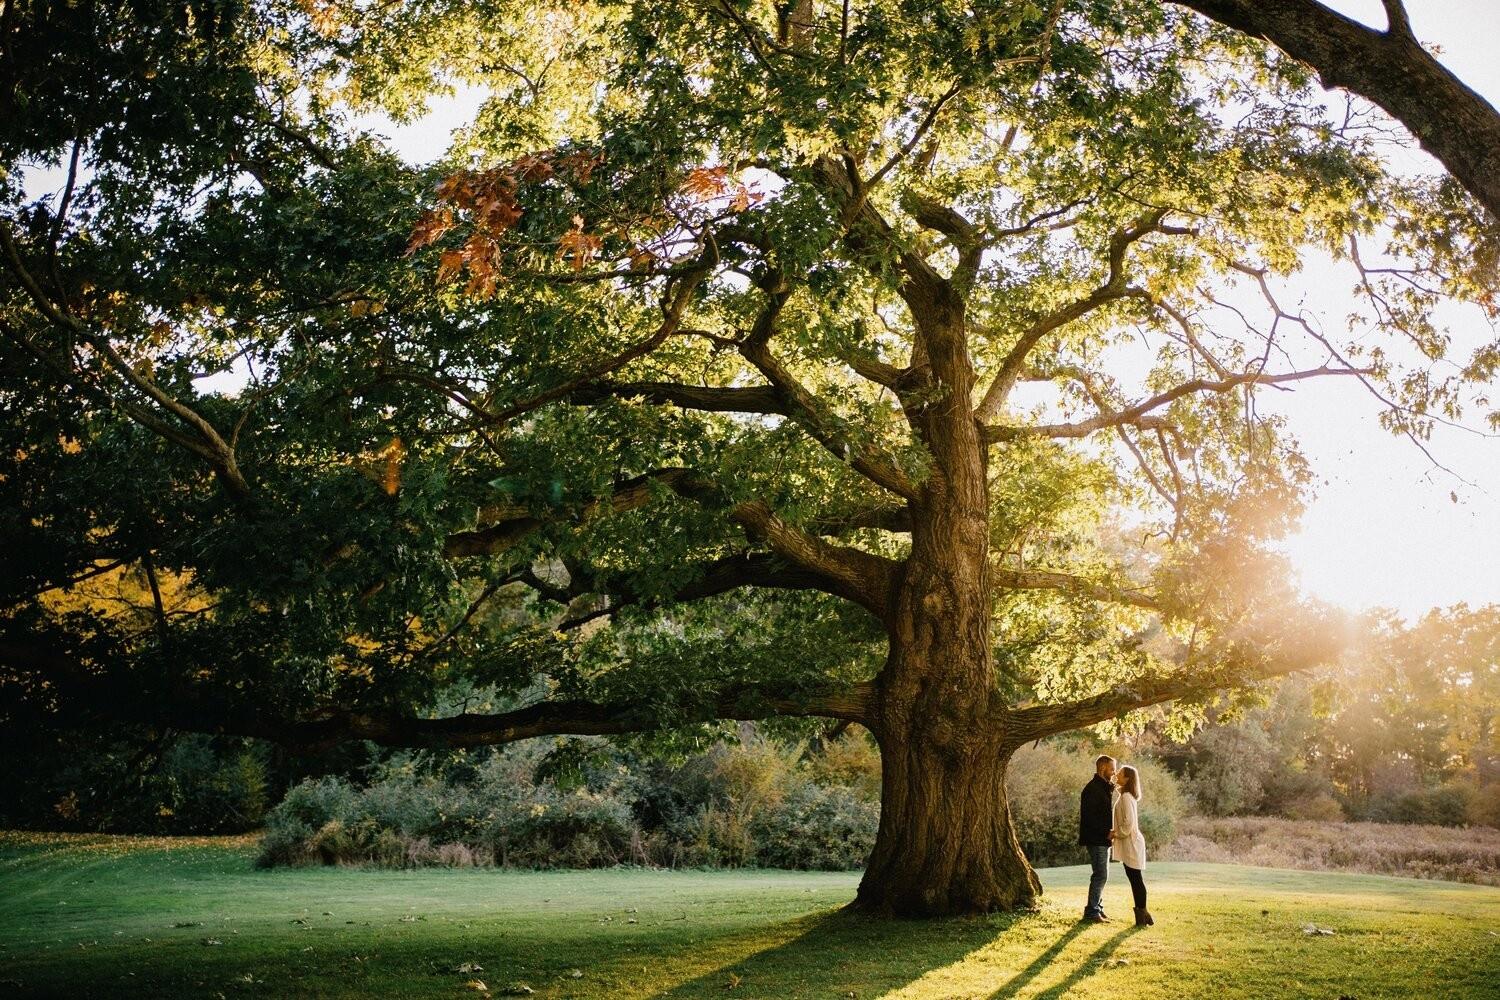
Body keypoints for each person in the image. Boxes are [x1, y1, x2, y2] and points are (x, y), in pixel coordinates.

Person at [1111, 764, 1153, 926]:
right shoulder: (1125, 795)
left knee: (1136, 879)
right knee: (1134, 878)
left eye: (1120, 773)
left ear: (1127, 778)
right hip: (1130, 844)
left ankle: (1142, 915)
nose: (1116, 774)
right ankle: (1143, 914)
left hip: (1133, 844)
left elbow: (1128, 824)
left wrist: (1115, 833)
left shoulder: (1127, 797)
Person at [1078, 754, 1116, 922]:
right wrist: (1106, 832)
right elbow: (1090, 818)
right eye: (1112, 769)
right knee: (1100, 874)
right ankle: (1092, 911)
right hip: (1096, 838)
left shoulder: (1103, 787)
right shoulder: (1093, 789)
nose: (1114, 772)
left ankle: (1096, 908)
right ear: (1103, 768)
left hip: (1102, 839)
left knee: (1102, 874)